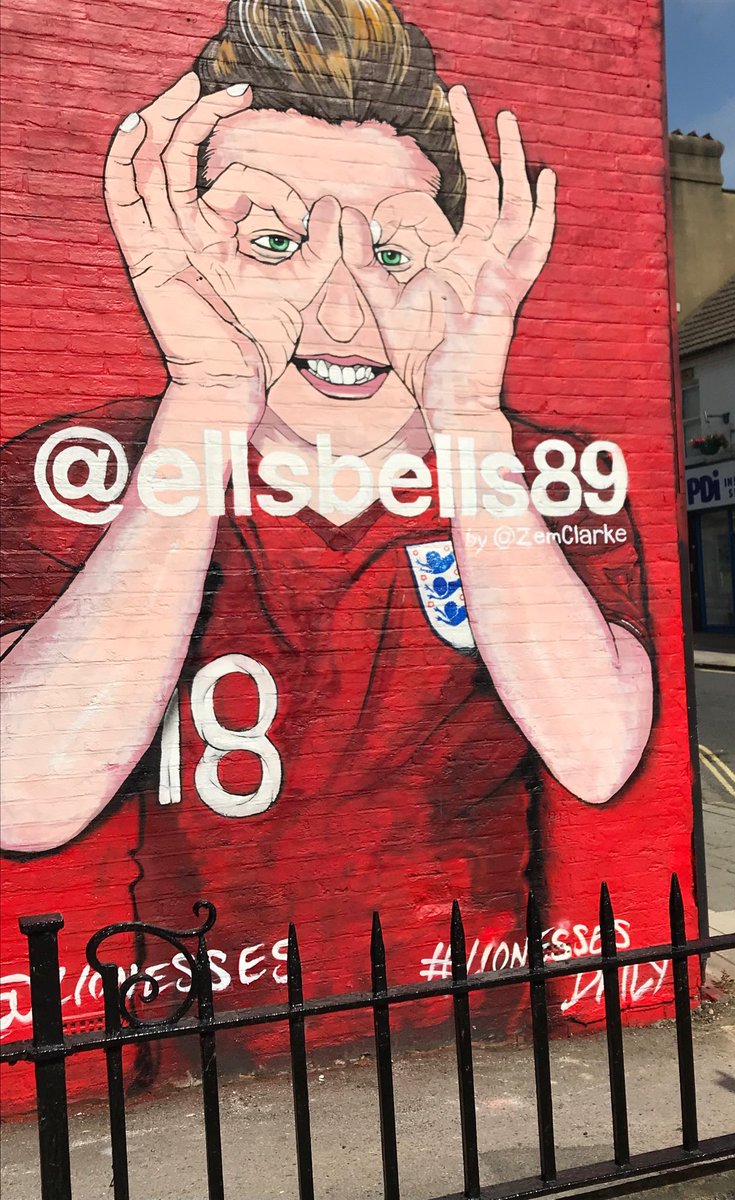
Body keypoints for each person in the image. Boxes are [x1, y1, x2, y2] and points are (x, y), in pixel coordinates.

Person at [1, 0, 652, 1043]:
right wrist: (208, 395)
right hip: (185, 1054)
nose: (343, 317)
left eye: (396, 258)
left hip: (477, 1043)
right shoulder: (83, 468)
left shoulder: (536, 473)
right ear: (178, 245)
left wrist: (469, 417)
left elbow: (597, 750)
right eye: (270, 240)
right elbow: (22, 793)